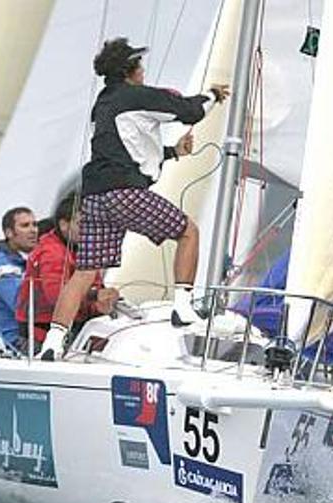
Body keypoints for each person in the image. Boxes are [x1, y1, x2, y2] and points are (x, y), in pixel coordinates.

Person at [37, 37, 230, 360]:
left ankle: (52, 344)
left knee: (85, 272)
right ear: (131, 70)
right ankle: (182, 308)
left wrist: (172, 152)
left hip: (95, 198)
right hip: (124, 194)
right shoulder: (134, 96)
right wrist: (213, 95)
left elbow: (125, 150)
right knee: (188, 231)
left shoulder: (103, 103)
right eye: (139, 64)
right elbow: (189, 111)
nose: (143, 69)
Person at [17, 195, 119, 348]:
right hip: (41, 335)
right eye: (82, 224)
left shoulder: (83, 251)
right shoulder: (52, 253)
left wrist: (105, 299)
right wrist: (96, 296)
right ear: (64, 225)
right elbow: (56, 295)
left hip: (75, 327)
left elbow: (95, 286)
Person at [0, 206, 38, 354]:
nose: (33, 230)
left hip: (28, 341)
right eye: (25, 226)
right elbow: (23, 305)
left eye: (35, 224)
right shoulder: (1, 266)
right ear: (9, 233)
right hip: (10, 345)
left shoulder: (29, 261)